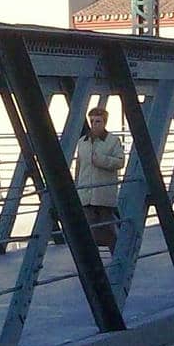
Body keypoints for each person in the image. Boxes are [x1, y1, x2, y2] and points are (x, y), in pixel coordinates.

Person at [72, 105, 126, 251]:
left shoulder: (113, 141)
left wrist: (101, 160)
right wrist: (77, 186)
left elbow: (120, 162)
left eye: (98, 121)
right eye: (92, 121)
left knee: (108, 227)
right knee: (88, 229)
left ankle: (118, 254)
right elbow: (79, 165)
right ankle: (91, 257)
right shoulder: (82, 141)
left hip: (103, 192)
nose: (94, 124)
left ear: (104, 122)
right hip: (86, 192)